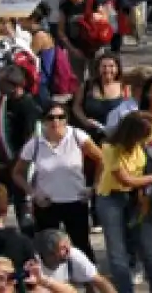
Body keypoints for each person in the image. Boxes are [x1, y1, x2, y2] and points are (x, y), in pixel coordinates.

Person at [13, 102, 101, 257]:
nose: (56, 122)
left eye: (61, 117)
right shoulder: (35, 144)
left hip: (75, 201)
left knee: (81, 247)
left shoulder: (77, 136)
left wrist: (94, 187)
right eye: (51, 117)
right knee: (46, 248)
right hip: (47, 204)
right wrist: (33, 193)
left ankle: (86, 279)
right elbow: (17, 173)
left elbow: (102, 160)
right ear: (43, 121)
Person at [94, 112, 152, 293]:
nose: (144, 141)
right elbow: (127, 180)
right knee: (117, 251)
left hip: (136, 197)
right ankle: (125, 290)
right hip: (111, 198)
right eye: (140, 138)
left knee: (149, 245)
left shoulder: (143, 131)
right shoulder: (111, 148)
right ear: (131, 134)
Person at [35, 230, 113, 293]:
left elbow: (100, 281)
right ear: (50, 254)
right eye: (63, 248)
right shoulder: (34, 264)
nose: (68, 250)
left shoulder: (73, 255)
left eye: (68, 245)